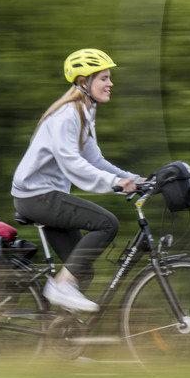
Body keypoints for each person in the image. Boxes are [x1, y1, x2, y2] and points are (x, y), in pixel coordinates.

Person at [11, 48, 141, 313]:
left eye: (109, 78)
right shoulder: (67, 115)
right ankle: (59, 286)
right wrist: (113, 183)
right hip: (35, 196)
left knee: (81, 270)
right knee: (106, 223)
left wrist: (135, 179)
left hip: (46, 195)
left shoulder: (84, 113)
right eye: (104, 78)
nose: (110, 83)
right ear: (84, 82)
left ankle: (60, 338)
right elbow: (73, 163)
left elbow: (96, 161)